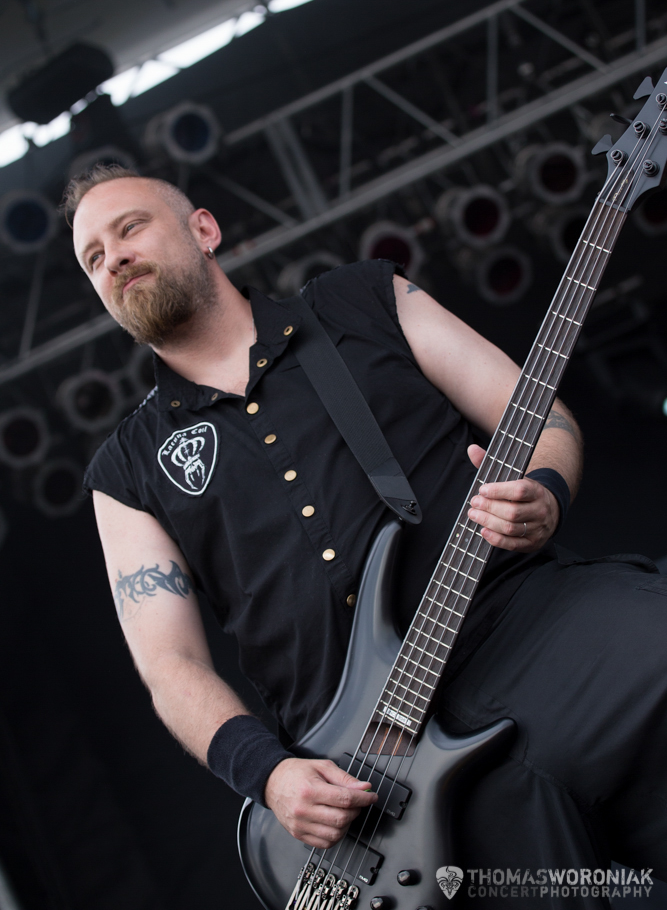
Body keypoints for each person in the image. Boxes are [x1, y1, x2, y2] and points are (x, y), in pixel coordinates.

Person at [67, 165, 666, 901]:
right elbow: (170, 665)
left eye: (129, 228)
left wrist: (543, 490)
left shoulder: (363, 299)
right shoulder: (126, 471)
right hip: (375, 767)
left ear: (204, 229)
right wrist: (269, 775)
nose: (114, 258)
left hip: (528, 625)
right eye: (93, 257)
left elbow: (542, 417)